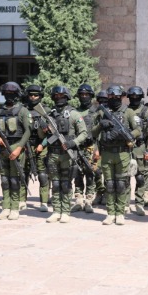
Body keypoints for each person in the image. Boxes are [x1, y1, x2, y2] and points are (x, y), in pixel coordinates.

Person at [92, 85, 141, 225]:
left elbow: (138, 129)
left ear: (121, 97)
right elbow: (93, 133)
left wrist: (127, 135)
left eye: (117, 96)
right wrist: (101, 125)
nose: (114, 98)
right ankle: (110, 213)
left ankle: (120, 213)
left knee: (121, 184)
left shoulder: (128, 112)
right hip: (107, 153)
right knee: (109, 184)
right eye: (111, 96)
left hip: (122, 153)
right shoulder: (102, 112)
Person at [43, 86, 87, 223]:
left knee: (66, 184)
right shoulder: (50, 115)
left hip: (67, 154)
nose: (59, 98)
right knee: (55, 184)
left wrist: (73, 143)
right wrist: (43, 128)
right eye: (56, 96)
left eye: (61, 96)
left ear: (67, 97)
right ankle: (56, 210)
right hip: (53, 153)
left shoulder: (74, 114)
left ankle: (66, 211)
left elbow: (84, 133)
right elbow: (44, 137)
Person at [0, 82, 31, 220]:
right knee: (4, 180)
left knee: (15, 180)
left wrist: (19, 148)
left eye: (12, 93)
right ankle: (5, 207)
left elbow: (28, 131)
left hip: (16, 146)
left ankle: (14, 208)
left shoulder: (22, 111)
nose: (9, 96)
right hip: (2, 148)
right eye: (7, 93)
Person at [73, 84, 101, 214]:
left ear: (91, 96)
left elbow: (99, 132)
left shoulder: (96, 112)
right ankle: (79, 200)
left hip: (91, 146)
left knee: (90, 174)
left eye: (86, 95)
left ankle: (89, 200)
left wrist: (97, 149)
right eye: (82, 95)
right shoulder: (75, 112)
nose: (84, 97)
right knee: (77, 173)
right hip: (77, 147)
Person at [23, 84, 51, 212]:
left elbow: (52, 133)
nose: (33, 97)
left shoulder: (46, 111)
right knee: (24, 173)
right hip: (26, 145)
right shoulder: (23, 110)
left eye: (36, 95)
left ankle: (44, 202)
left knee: (43, 175)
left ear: (40, 96)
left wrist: (42, 144)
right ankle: (22, 200)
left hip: (41, 146)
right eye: (31, 95)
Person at [126, 86, 148, 216]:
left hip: (140, 147)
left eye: (137, 96)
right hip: (126, 147)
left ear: (141, 97)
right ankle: (125, 204)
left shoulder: (146, 111)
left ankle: (139, 203)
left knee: (141, 177)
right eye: (132, 97)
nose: (134, 98)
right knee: (125, 177)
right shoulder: (125, 111)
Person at [91, 90, 108, 206]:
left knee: (107, 172)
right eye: (100, 100)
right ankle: (99, 192)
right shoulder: (95, 113)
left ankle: (106, 193)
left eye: (105, 100)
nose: (102, 102)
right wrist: (95, 149)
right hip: (97, 145)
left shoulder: (110, 112)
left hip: (108, 146)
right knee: (96, 171)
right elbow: (93, 132)